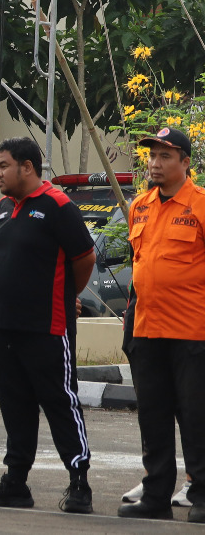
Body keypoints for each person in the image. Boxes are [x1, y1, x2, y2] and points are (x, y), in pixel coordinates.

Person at [0, 136, 94, 515]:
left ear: (27, 166)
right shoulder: (5, 207)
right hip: (5, 328)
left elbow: (84, 258)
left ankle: (79, 483)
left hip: (47, 327)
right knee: (15, 405)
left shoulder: (58, 205)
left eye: (3, 166)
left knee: (60, 402)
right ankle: (16, 483)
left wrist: (64, 292)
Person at [120, 125, 205, 521]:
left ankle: (202, 496)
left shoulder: (201, 205)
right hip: (147, 330)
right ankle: (155, 496)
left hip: (193, 333)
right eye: (151, 155)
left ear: (186, 163)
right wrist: (130, 328)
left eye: (165, 156)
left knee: (196, 415)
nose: (155, 163)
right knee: (152, 416)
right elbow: (140, 268)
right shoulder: (140, 205)